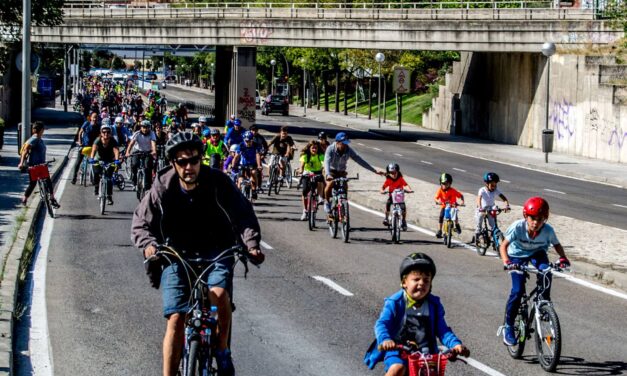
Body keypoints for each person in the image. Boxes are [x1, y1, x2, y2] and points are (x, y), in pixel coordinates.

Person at [131, 132, 264, 376]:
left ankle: (222, 351)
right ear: (173, 163)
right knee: (176, 319)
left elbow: (243, 213)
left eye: (194, 160)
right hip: (175, 255)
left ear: (201, 159)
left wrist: (251, 244)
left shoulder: (219, 182)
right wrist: (149, 245)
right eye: (182, 162)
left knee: (218, 295)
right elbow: (140, 223)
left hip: (216, 252)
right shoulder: (162, 187)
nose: (189, 167)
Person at [364, 253, 470, 375]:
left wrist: (456, 344)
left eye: (426, 280)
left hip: (427, 354)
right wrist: (386, 339)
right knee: (397, 369)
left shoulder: (434, 305)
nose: (421, 283)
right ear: (404, 282)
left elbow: (443, 330)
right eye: (416, 279)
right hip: (399, 351)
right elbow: (382, 324)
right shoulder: (395, 303)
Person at [499, 197, 570, 346]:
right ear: (526, 216)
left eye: (540, 219)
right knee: (517, 291)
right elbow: (503, 246)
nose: (536, 223)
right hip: (516, 256)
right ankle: (509, 326)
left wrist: (563, 258)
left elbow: (556, 245)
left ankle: (543, 303)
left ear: (545, 218)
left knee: (546, 271)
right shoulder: (517, 227)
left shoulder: (548, 230)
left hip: (537, 254)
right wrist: (507, 262)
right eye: (532, 218)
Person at [323, 132, 383, 214]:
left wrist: (374, 170)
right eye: (343, 143)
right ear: (337, 142)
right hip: (331, 171)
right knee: (329, 185)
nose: (344, 145)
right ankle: (326, 202)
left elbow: (359, 160)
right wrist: (328, 174)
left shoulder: (348, 150)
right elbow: (326, 162)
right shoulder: (330, 149)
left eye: (346, 143)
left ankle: (343, 203)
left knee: (344, 187)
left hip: (341, 172)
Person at [17, 121, 61, 208]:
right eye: (43, 129)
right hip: (36, 166)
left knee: (33, 183)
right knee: (47, 181)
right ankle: (52, 198)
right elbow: (25, 150)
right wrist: (21, 163)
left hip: (38, 165)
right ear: (41, 130)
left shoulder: (38, 139)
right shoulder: (35, 139)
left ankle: (25, 199)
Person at [474, 172, 511, 245]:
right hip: (482, 209)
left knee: (493, 225)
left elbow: (504, 198)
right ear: (487, 184)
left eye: (495, 184)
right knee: (480, 217)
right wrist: (480, 207)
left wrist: (507, 206)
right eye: (492, 184)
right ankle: (478, 233)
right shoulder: (482, 190)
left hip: (491, 208)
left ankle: (493, 237)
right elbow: (479, 198)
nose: (494, 186)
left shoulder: (495, 190)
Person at [89, 124, 120, 205]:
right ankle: (96, 187)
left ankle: (109, 196)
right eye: (104, 132)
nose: (106, 134)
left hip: (110, 160)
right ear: (101, 133)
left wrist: (117, 160)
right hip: (98, 160)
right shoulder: (98, 140)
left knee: (109, 178)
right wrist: (92, 159)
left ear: (110, 133)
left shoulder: (113, 140)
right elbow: (93, 150)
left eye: (108, 132)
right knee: (96, 173)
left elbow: (116, 150)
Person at [381, 163, 413, 231]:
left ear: (398, 172)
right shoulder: (388, 180)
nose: (393, 174)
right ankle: (386, 218)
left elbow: (406, 185)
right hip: (392, 197)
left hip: (399, 197)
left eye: (394, 172)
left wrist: (409, 189)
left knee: (403, 208)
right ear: (388, 173)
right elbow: (383, 187)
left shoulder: (400, 179)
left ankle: (404, 221)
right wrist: (382, 191)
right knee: (388, 203)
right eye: (391, 173)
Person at [298, 140, 325, 221]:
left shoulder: (320, 155)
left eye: (316, 148)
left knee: (321, 180)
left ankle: (320, 197)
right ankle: (305, 211)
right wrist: (300, 171)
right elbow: (302, 166)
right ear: (309, 148)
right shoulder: (306, 155)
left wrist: (325, 169)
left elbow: (323, 163)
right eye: (312, 148)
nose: (314, 150)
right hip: (307, 173)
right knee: (305, 191)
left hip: (317, 172)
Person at [126, 120, 157, 189]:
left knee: (148, 167)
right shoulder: (137, 133)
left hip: (148, 152)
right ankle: (134, 182)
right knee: (134, 164)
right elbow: (131, 144)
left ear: (149, 128)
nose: (145, 129)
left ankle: (148, 185)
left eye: (147, 127)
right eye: (143, 127)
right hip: (137, 151)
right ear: (141, 127)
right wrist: (127, 152)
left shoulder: (152, 133)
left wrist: (154, 151)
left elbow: (153, 142)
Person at [232, 131, 262, 199]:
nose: (247, 142)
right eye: (246, 141)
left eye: (249, 141)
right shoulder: (241, 145)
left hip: (253, 163)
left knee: (254, 173)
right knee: (240, 180)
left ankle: (254, 190)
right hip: (243, 164)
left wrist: (259, 165)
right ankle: (238, 196)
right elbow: (236, 156)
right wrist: (233, 165)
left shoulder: (255, 145)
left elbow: (257, 155)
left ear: (252, 140)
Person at [72, 112, 100, 184]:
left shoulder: (98, 126)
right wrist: (80, 141)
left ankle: (95, 178)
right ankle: (74, 177)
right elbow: (80, 132)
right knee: (78, 161)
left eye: (96, 117)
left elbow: (100, 136)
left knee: (96, 162)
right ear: (90, 118)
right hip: (84, 145)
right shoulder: (86, 124)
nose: (94, 119)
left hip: (93, 147)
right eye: (93, 117)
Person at [434, 173, 464, 238]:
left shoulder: (453, 191)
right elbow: (436, 198)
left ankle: (457, 225)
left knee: (455, 217)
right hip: (444, 207)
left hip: (452, 207)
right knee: (441, 216)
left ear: (450, 183)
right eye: (443, 183)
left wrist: (462, 202)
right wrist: (437, 201)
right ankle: (440, 230)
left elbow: (460, 196)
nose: (444, 185)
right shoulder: (440, 190)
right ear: (440, 183)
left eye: (446, 184)